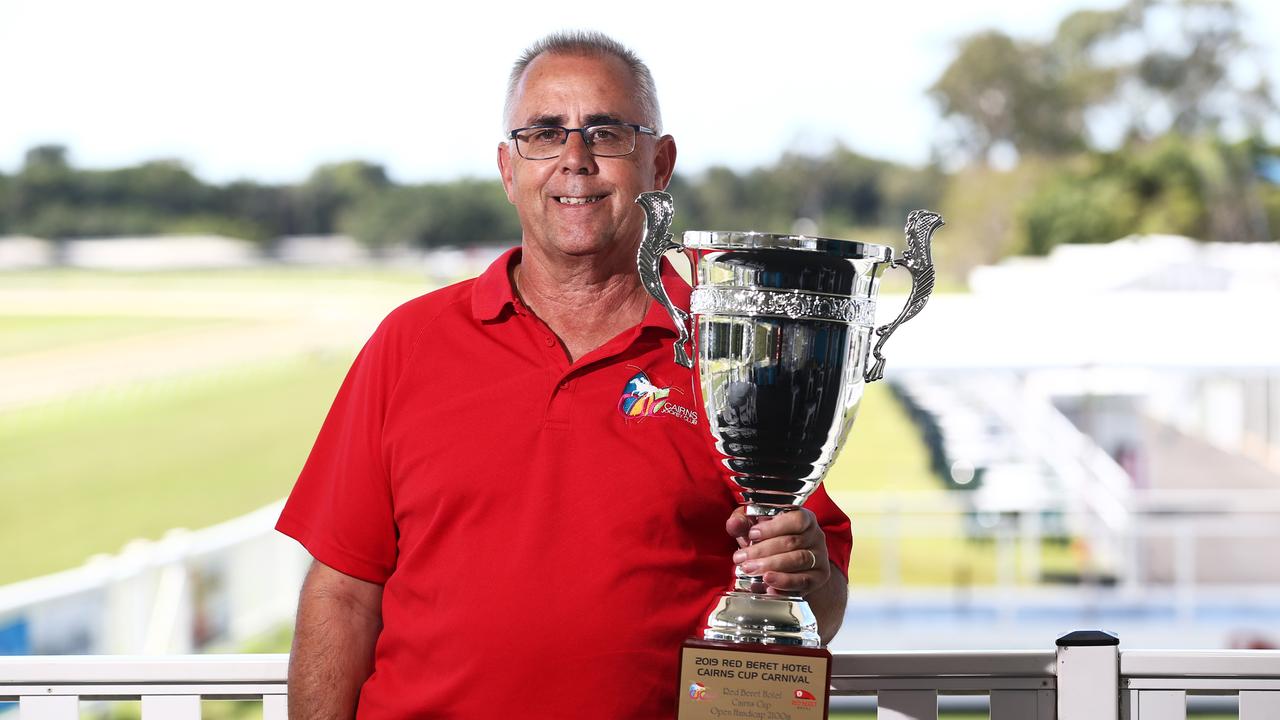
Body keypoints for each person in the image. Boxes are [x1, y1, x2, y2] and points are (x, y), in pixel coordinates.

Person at [276, 31, 852, 719]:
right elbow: (341, 590)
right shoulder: (409, 342)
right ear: (507, 166)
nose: (574, 160)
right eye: (544, 134)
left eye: (606, 133)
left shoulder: (733, 344)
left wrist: (804, 569)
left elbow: (818, 592)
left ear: (659, 163)